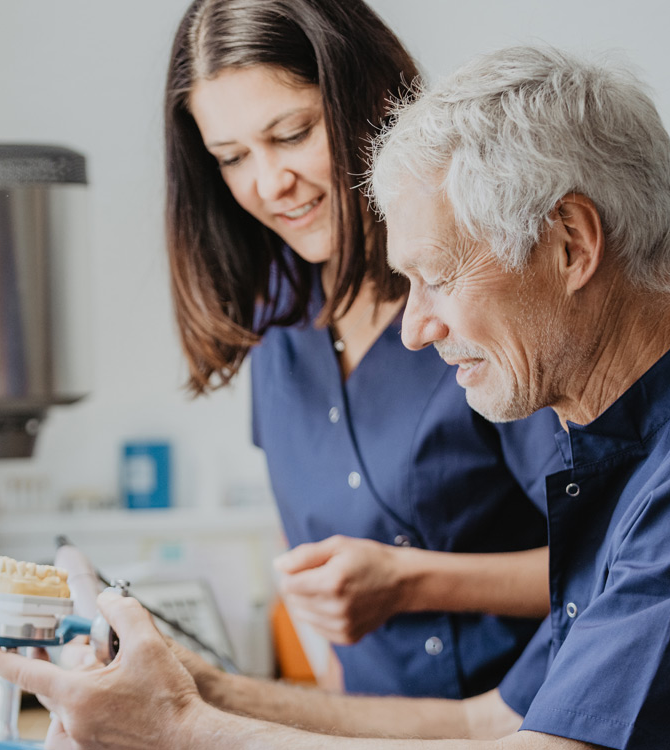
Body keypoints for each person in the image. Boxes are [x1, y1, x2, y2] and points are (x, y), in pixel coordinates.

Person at [0, 44, 670, 749]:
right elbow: (484, 724)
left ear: (571, 244)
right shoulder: (635, 467)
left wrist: (181, 730)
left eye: (436, 278)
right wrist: (202, 688)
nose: (414, 330)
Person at [163, 0, 562, 703]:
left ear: (372, 100)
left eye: (292, 133)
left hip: (526, 722)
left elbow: (616, 563)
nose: (267, 182)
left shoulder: (484, 291)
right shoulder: (277, 326)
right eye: (231, 157)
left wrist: (413, 582)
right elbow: (312, 585)